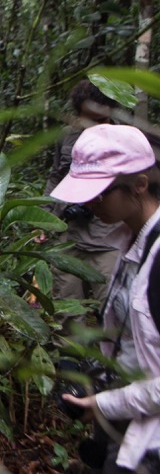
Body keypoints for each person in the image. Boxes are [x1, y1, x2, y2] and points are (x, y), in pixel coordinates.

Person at [55, 123, 160, 472]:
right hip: (128, 417)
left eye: (99, 193)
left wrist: (106, 403)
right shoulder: (127, 241)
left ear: (140, 186)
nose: (88, 203)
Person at [47, 81, 123, 304]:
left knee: (112, 312)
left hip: (108, 240)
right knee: (66, 310)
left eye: (101, 120)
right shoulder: (67, 135)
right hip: (69, 234)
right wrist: (45, 217)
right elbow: (56, 177)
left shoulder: (126, 139)